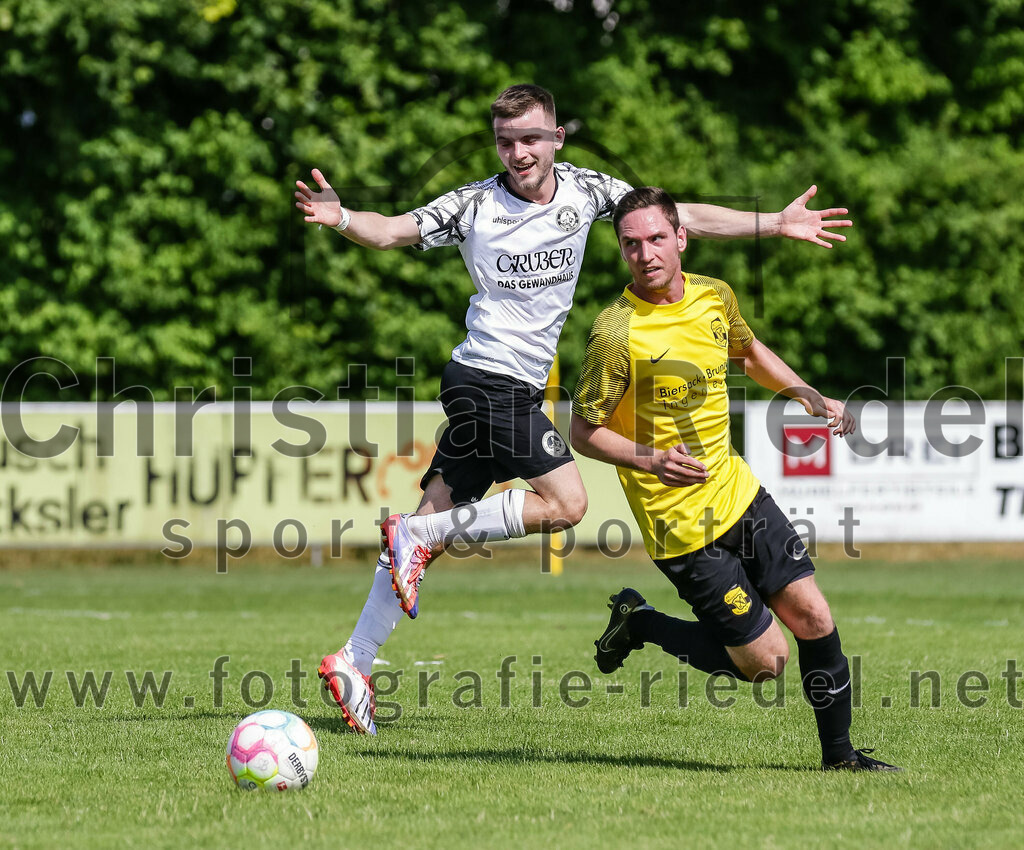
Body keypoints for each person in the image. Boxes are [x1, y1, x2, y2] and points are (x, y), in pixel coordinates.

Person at [294, 84, 853, 735]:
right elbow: (391, 232)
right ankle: (416, 540)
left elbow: (679, 216)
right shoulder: (475, 204)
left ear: (556, 138)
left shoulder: (586, 192)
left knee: (434, 518)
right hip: (486, 380)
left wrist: (775, 224)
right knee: (566, 504)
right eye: (506, 142)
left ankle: (355, 658)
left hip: (508, 391)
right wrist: (340, 217)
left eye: (531, 138)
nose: (519, 152)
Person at [569, 186, 899, 771]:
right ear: (621, 252)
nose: (645, 254)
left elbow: (746, 354)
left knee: (815, 617)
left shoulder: (715, 297)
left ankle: (841, 758)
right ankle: (641, 622)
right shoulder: (616, 332)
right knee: (765, 663)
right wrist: (649, 458)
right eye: (630, 244)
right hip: (679, 526)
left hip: (739, 495)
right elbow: (582, 431)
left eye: (656, 239)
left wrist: (807, 394)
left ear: (681, 238)